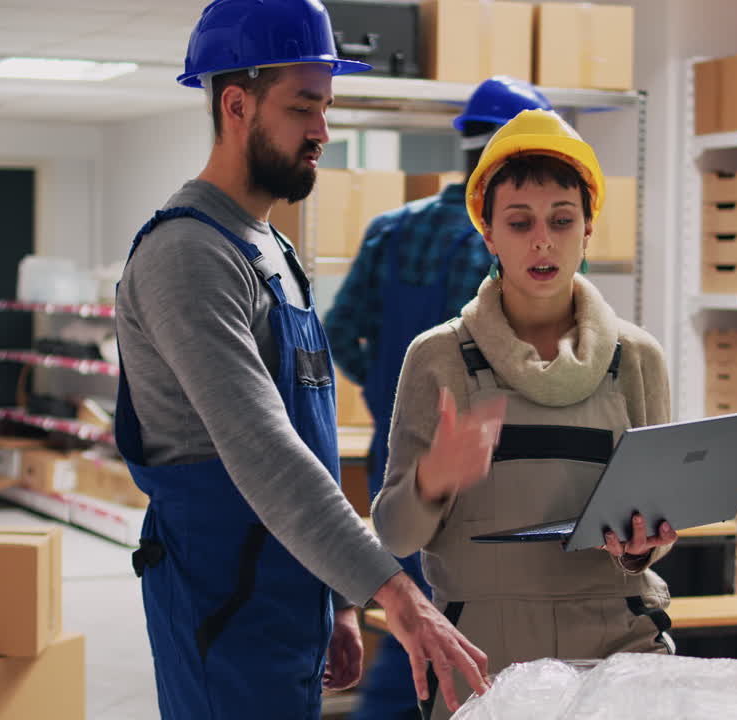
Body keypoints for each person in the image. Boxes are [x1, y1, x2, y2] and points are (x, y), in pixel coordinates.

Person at [112, 1, 489, 718]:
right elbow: (266, 455)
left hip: (286, 594)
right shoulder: (189, 256)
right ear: (236, 104)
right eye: (303, 107)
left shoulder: (270, 248)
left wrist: (338, 596)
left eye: (327, 107)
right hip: (221, 607)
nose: (323, 131)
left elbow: (308, 447)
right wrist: (395, 592)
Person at [370, 109, 680, 719]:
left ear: (588, 229)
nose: (543, 240)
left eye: (562, 221)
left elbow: (658, 522)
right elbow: (394, 535)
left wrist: (644, 548)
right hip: (485, 658)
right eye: (520, 222)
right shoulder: (439, 359)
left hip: (619, 648)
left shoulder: (638, 358)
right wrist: (434, 479)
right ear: (488, 233)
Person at [323, 76, 551, 720]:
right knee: (468, 640)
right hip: (485, 464)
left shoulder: (392, 229)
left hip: (401, 456)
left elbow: (339, 329)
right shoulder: (512, 245)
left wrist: (380, 392)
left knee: (412, 621)